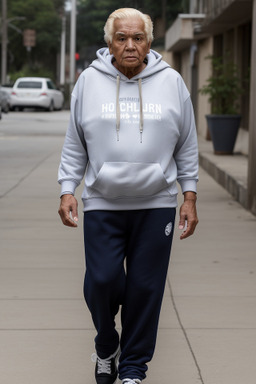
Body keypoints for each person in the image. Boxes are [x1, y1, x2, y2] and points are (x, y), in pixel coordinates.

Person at [58, 8, 199, 384]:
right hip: (104, 203)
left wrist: (189, 196)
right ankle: (107, 345)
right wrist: (67, 189)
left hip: (157, 205)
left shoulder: (172, 82)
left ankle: (133, 370)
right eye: (122, 38)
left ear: (150, 42)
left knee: (145, 289)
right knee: (102, 281)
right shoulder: (89, 81)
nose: (130, 45)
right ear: (110, 42)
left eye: (138, 38)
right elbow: (75, 143)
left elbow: (187, 144)